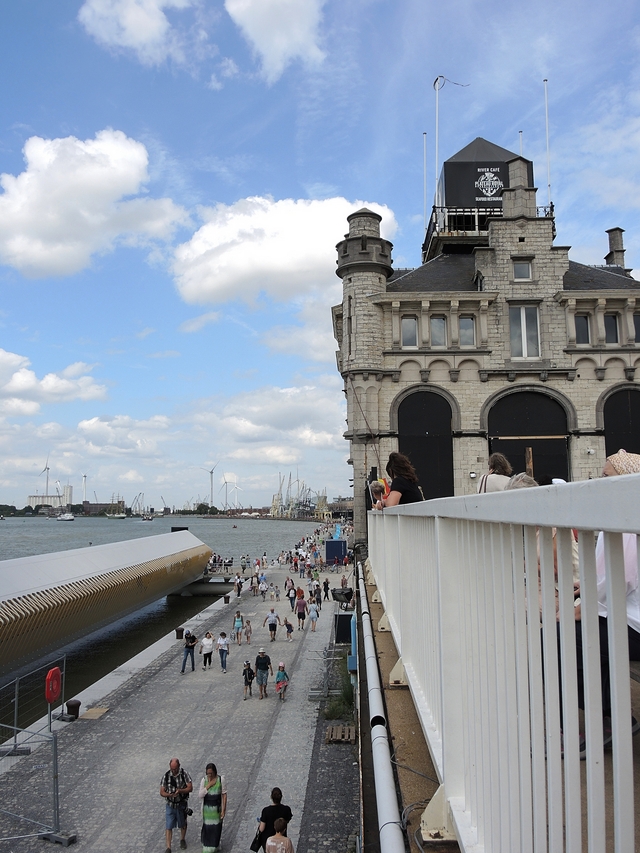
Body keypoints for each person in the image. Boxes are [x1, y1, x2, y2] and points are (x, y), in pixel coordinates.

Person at [574, 450, 640, 741]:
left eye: (606, 476)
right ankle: (614, 717)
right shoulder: (625, 515)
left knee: (556, 640)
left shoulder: (625, 521)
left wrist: (583, 606)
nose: (599, 482)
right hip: (625, 615)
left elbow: (620, 577)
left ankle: (614, 719)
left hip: (632, 623)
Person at [160, 757, 193, 853]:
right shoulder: (166, 776)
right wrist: (169, 795)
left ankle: (182, 839)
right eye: (172, 769)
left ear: (179, 766)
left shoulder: (184, 774)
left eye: (175, 769)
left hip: (181, 804)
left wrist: (180, 791)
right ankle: (168, 847)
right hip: (170, 805)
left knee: (182, 823)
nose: (173, 771)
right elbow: (161, 792)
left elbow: (190, 788)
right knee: (168, 826)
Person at [198, 763, 226, 853]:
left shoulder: (221, 780)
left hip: (217, 810)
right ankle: (207, 846)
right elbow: (200, 795)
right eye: (208, 773)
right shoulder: (204, 780)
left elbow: (224, 795)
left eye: (211, 773)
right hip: (207, 811)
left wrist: (223, 809)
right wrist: (209, 785)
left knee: (216, 829)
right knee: (208, 828)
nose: (209, 775)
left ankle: (215, 846)